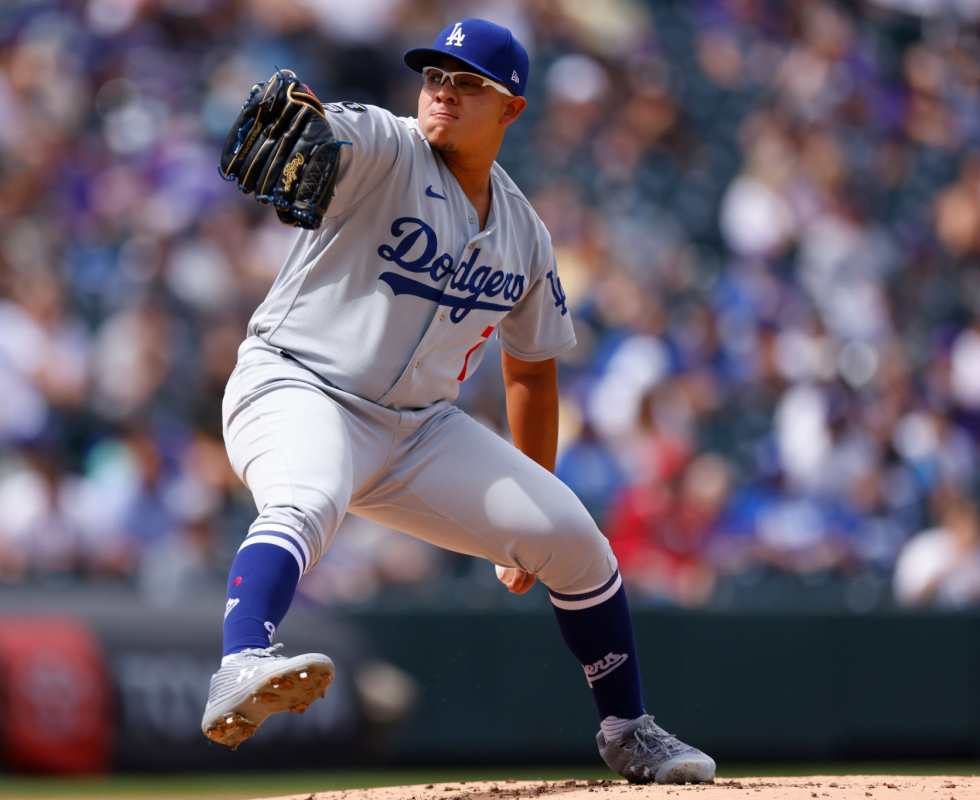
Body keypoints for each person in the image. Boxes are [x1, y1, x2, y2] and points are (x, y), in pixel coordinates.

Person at [202, 19, 715, 784]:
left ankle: (628, 729)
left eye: (467, 82)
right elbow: (337, 131)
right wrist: (319, 127)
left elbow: (533, 369)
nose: (443, 90)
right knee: (306, 495)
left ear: (511, 108)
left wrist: (528, 509)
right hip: (296, 382)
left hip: (416, 431)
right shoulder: (386, 145)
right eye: (435, 75)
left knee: (574, 540)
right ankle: (241, 659)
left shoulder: (523, 234)